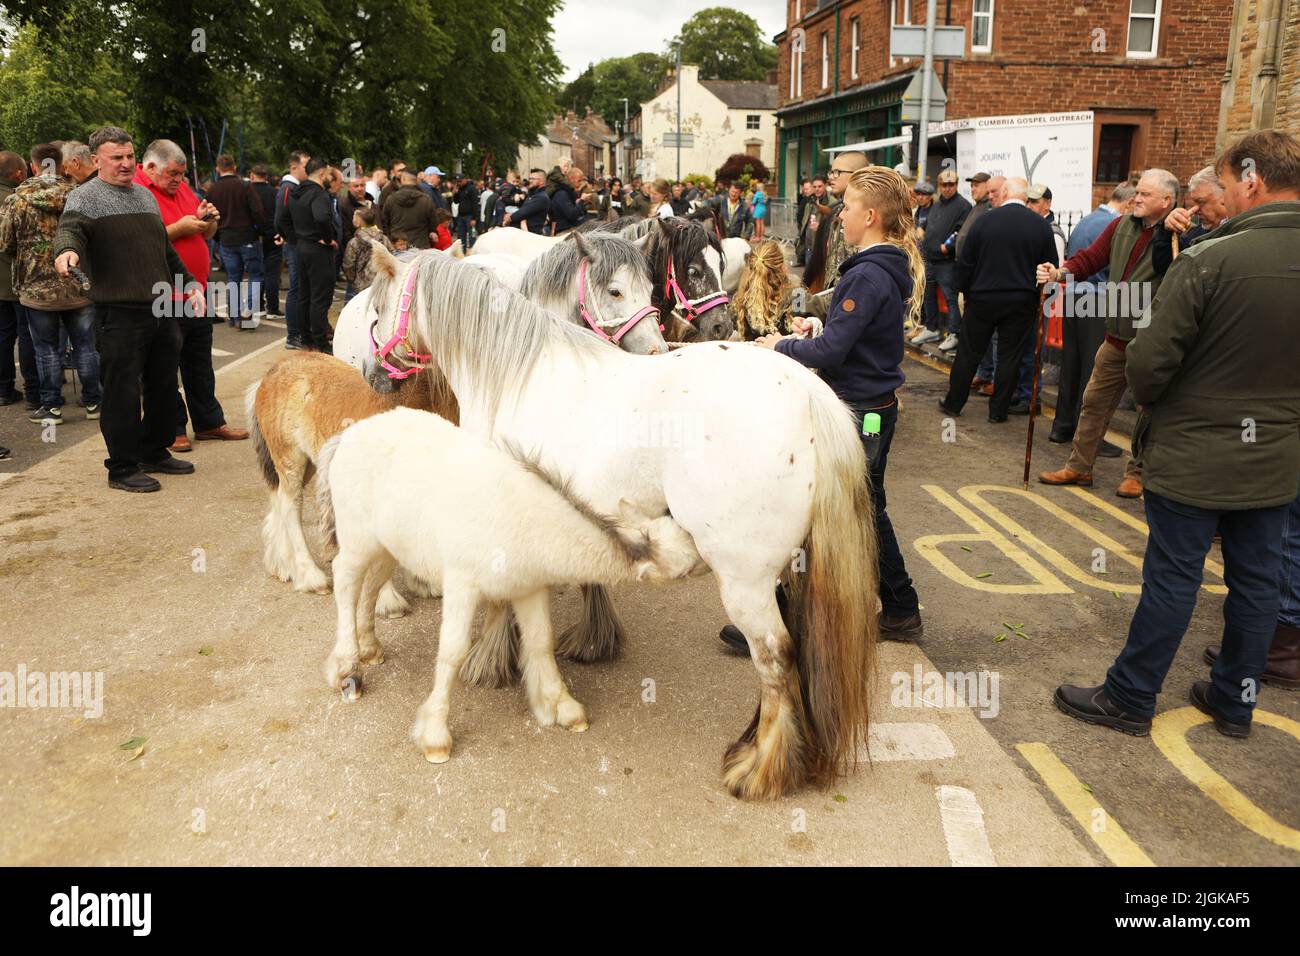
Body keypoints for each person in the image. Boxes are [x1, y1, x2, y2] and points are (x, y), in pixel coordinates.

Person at [1054, 129, 1300, 739]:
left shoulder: (1210, 258)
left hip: (1195, 452)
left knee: (1174, 577)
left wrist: (1164, 403)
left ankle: (1132, 696)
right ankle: (1234, 699)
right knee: (1256, 580)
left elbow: (1147, 364)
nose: (1221, 198)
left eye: (1224, 185)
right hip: (1274, 459)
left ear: (1252, 181)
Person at [753, 165, 926, 643]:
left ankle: (894, 607)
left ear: (869, 215)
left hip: (860, 410)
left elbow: (832, 354)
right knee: (856, 505)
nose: (841, 215)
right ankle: (891, 607)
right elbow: (849, 338)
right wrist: (817, 330)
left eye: (847, 207)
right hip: (871, 404)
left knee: (855, 506)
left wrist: (779, 347)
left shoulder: (868, 274)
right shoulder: (881, 266)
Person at [53, 125, 205, 492]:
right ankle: (121, 466)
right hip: (117, 313)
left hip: (161, 308)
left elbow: (164, 252)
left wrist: (192, 286)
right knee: (121, 393)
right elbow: (69, 230)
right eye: (116, 157)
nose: (125, 164)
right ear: (96, 160)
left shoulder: (144, 197)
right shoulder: (84, 198)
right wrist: (65, 252)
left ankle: (154, 450)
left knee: (163, 385)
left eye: (129, 157)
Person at [1036, 168, 1178, 498]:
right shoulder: (1121, 225)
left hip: (1151, 342)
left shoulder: (1177, 235)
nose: (1136, 198)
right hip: (1115, 337)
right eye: (1136, 192)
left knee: (1148, 412)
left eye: (1144, 194)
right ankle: (1079, 466)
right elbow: (1090, 260)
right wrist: (1059, 272)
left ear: (1167, 201)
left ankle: (1137, 473)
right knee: (1094, 402)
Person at [135, 139, 248, 451]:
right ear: (150, 167)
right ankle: (171, 428)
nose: (178, 180)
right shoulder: (136, 191)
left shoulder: (182, 190)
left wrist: (207, 223)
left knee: (199, 363)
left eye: (182, 174)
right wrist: (178, 228)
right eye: (172, 174)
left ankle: (209, 422)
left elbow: (205, 233)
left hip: (194, 292)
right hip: (160, 293)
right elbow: (140, 240)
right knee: (163, 367)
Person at [940, 177, 1057, 422]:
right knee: (1009, 356)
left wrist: (965, 291)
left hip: (982, 298)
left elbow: (966, 263)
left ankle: (954, 403)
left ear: (1004, 193)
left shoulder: (984, 221)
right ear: (1024, 197)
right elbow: (1050, 267)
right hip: (1021, 300)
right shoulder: (1040, 226)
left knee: (969, 353)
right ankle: (998, 411)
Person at [0, 143, 100, 426]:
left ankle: (51, 406)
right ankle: (94, 401)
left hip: (36, 286)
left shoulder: (18, 200)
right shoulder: (80, 196)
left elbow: (5, 242)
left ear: (33, 166)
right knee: (85, 345)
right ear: (62, 164)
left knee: (45, 348)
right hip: (77, 283)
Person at [1049, 180, 1136, 445]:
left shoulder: (1087, 219)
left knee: (1071, 367)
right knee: (1092, 370)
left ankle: (1062, 427)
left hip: (1074, 296)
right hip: (1096, 300)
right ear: (1129, 202)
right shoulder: (1116, 226)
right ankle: (1084, 435)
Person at [278, 157, 339, 353]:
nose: (331, 177)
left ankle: (306, 339)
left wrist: (295, 238)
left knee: (305, 295)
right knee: (319, 298)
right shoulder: (318, 194)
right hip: (317, 250)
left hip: (302, 248)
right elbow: (321, 217)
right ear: (322, 174)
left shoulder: (297, 192)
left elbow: (281, 219)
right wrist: (327, 239)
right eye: (329, 173)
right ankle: (321, 344)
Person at [801, 150, 869, 310]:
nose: (831, 176)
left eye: (837, 172)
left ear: (857, 175)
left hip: (846, 312)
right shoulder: (836, 212)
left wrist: (799, 305)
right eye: (831, 171)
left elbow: (848, 288)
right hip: (832, 308)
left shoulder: (863, 219)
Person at [205, 153, 267, 327]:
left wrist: (217, 237)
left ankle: (234, 315)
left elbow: (209, 217)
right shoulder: (245, 187)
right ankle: (248, 310)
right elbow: (258, 212)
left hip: (225, 238)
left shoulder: (212, 190)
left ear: (218, 169)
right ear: (234, 167)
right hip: (247, 236)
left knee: (233, 277)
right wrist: (260, 231)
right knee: (255, 274)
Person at [914, 168, 971, 352]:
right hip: (929, 258)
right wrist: (922, 227)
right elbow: (928, 219)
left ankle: (955, 332)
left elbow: (961, 230)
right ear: (939, 185)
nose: (947, 188)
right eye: (944, 185)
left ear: (956, 184)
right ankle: (932, 328)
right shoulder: (937, 204)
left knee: (950, 298)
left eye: (951, 184)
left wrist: (947, 246)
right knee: (928, 296)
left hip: (946, 260)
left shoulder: (963, 205)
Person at [0, 149, 38, 411]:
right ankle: (34, 391)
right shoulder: (17, 200)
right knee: (27, 335)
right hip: (18, 280)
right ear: (17, 174)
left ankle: (3, 388)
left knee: (2, 336)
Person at [1150, 165, 1228, 275]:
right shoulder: (1195, 235)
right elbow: (1165, 268)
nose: (1195, 210)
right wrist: (1167, 233)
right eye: (1194, 203)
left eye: (1201, 202)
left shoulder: (1244, 231)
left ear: (1225, 197)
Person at [274, 150, 311, 349]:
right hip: (294, 245)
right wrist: (291, 238)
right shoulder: (288, 187)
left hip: (296, 244)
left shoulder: (295, 187)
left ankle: (299, 332)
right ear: (294, 167)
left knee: (300, 288)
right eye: (306, 165)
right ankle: (293, 335)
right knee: (296, 289)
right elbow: (280, 218)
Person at [341, 205, 397, 295]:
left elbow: (349, 264)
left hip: (361, 286)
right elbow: (393, 256)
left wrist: (353, 281)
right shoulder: (384, 239)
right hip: (382, 283)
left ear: (357, 222)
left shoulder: (354, 242)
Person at [248, 165, 281, 316]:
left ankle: (257, 305)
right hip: (273, 235)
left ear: (252, 175)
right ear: (266, 176)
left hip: (253, 236)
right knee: (272, 273)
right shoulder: (274, 193)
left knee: (255, 272)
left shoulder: (247, 191)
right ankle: (272, 307)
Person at [380, 169, 437, 249]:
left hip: (398, 247)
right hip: (421, 247)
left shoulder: (391, 199)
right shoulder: (426, 200)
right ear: (417, 180)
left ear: (403, 179)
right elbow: (433, 225)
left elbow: (384, 223)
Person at [502, 169, 550, 233]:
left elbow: (524, 212)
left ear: (541, 181)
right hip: (522, 234)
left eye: (533, 178)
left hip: (530, 237)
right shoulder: (532, 195)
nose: (530, 181)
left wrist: (509, 218)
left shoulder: (541, 197)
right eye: (529, 178)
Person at [549, 165, 590, 234]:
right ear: (571, 179)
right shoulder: (562, 193)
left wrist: (579, 203)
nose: (581, 183)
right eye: (579, 180)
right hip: (565, 232)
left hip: (571, 229)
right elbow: (572, 215)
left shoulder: (569, 192)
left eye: (582, 180)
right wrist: (582, 201)